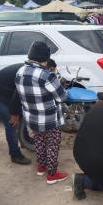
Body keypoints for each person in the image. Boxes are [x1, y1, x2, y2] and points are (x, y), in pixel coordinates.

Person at [15, 41, 68, 185]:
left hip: (31, 117)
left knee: (39, 140)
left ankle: (41, 167)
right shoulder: (47, 75)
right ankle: (52, 174)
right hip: (48, 118)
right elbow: (62, 97)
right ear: (45, 57)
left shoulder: (20, 71)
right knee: (52, 143)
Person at [0, 64, 31, 165]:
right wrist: (14, 113)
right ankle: (15, 155)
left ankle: (25, 139)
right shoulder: (26, 75)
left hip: (5, 92)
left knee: (21, 116)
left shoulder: (31, 69)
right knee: (12, 123)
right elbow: (17, 96)